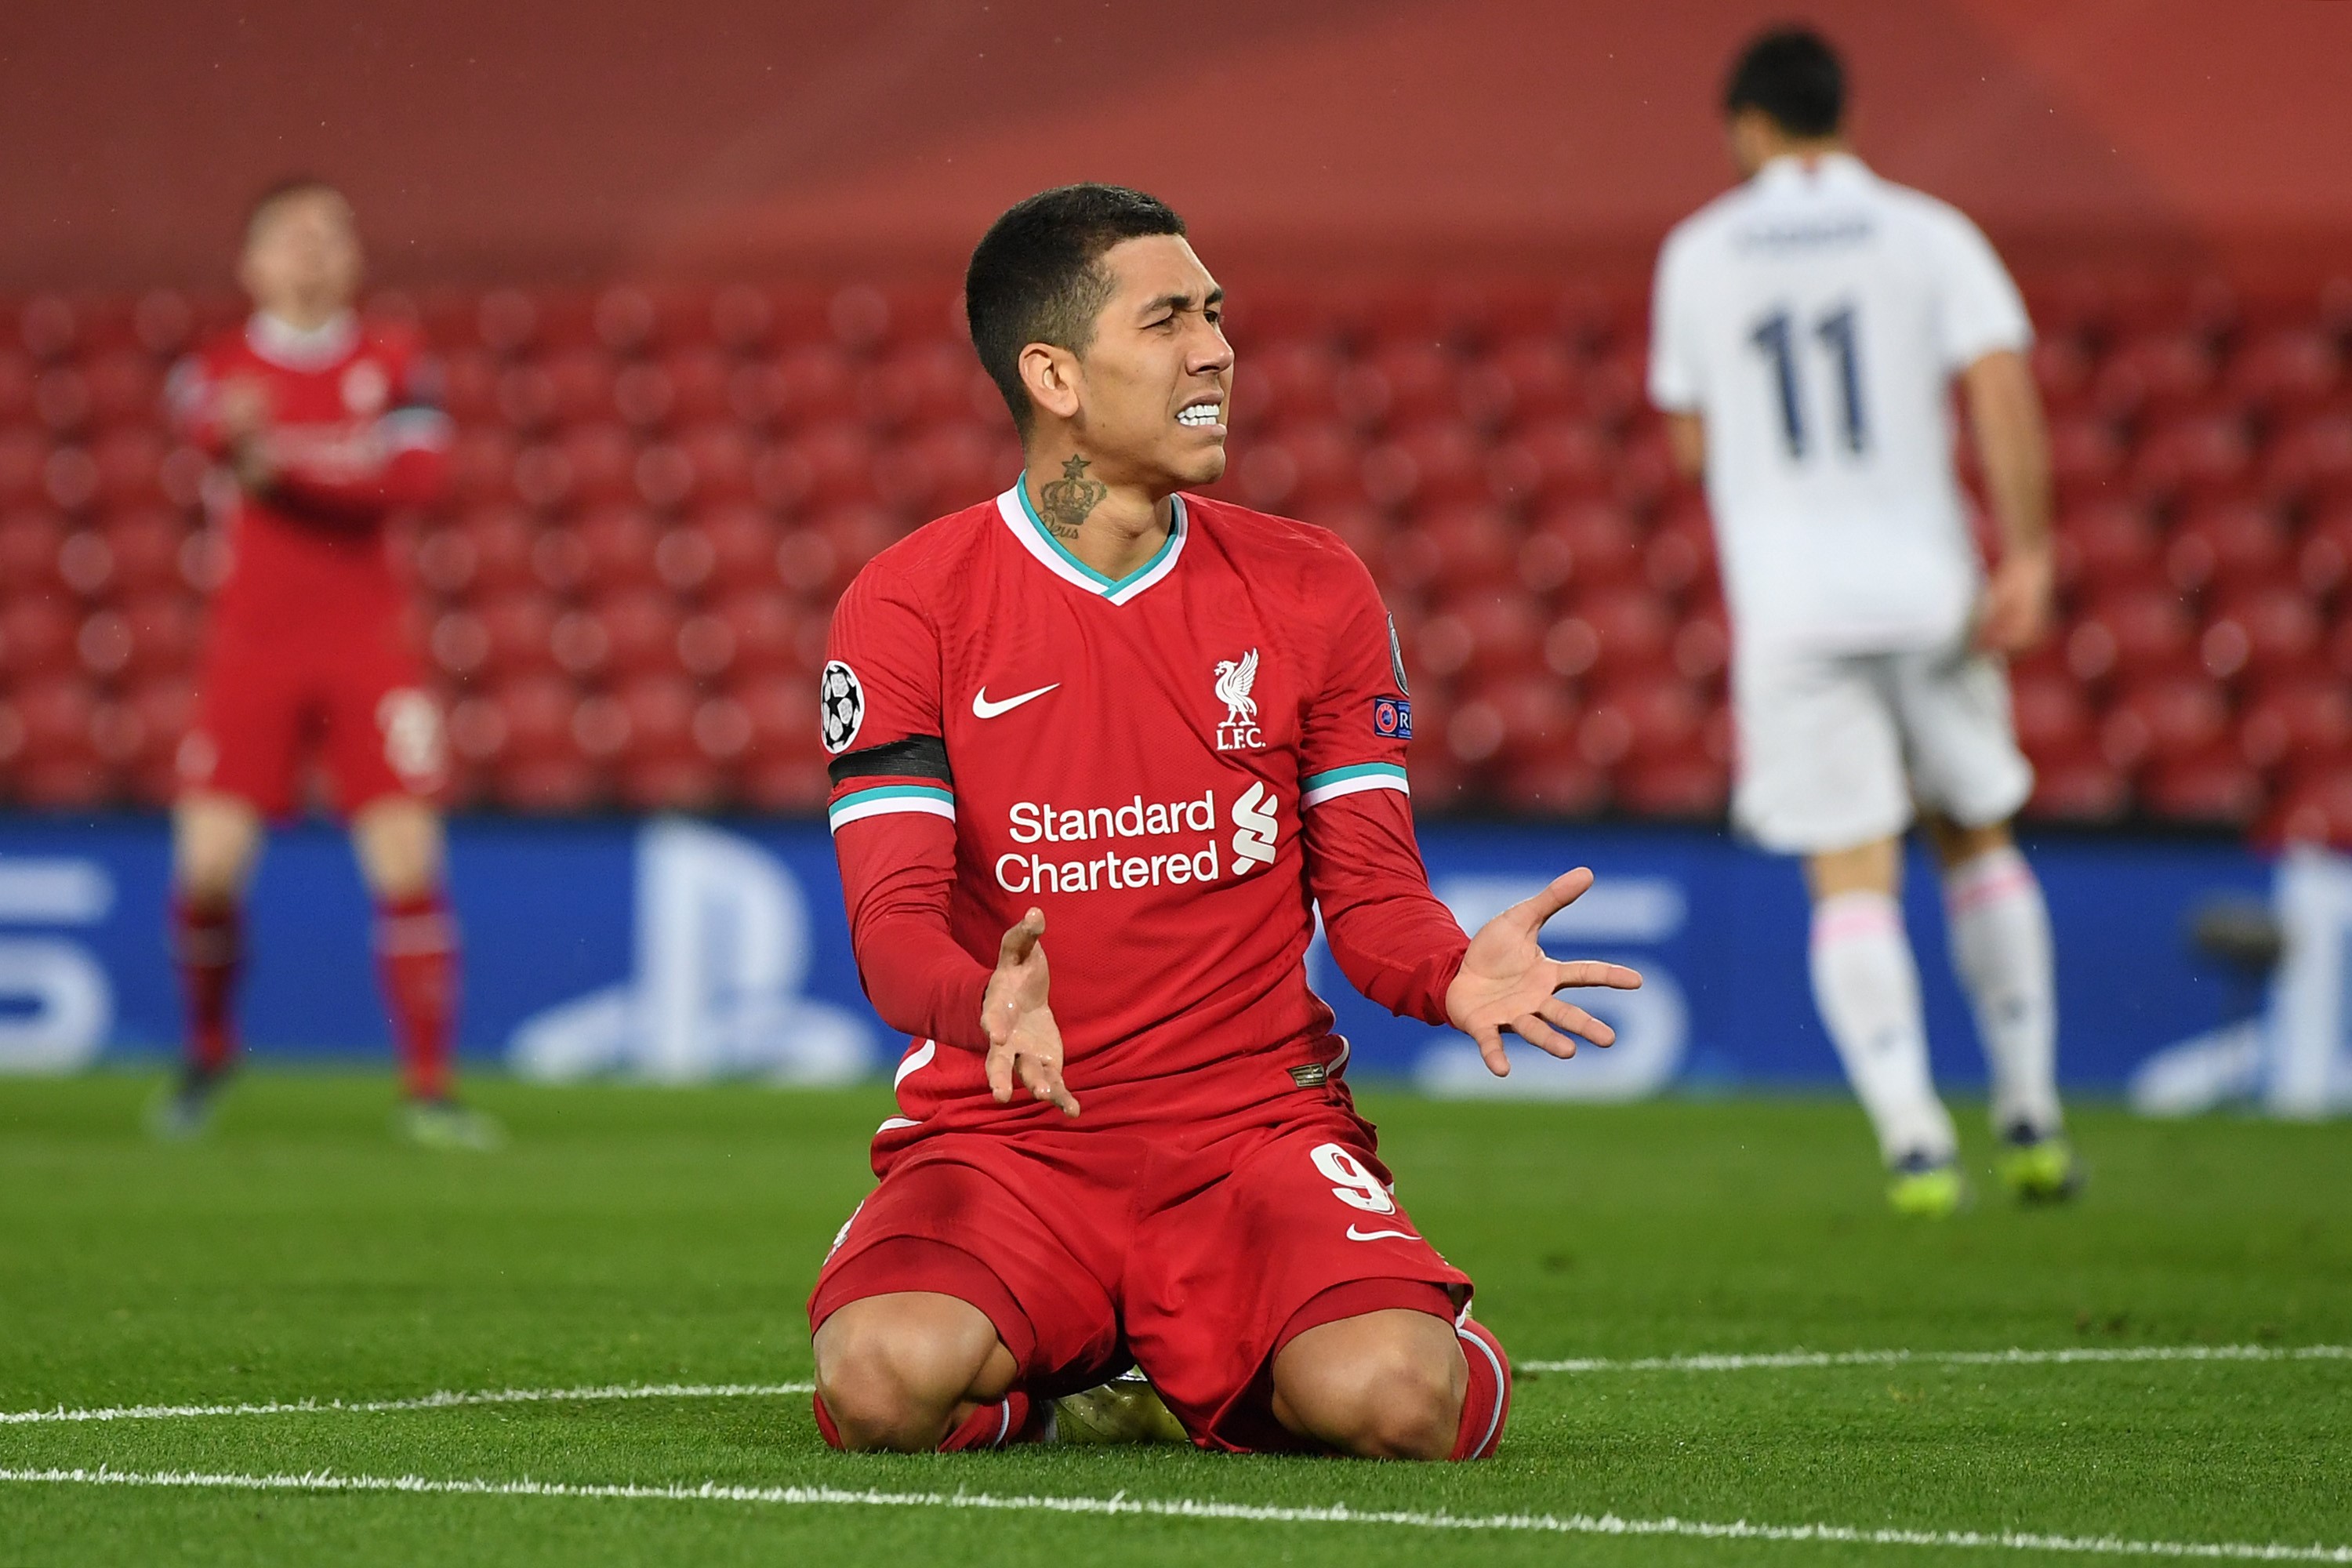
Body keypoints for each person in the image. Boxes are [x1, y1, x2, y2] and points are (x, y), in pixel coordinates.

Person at [809, 183, 1642, 1457]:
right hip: (1009, 1138)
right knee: (878, 1386)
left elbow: (1370, 904)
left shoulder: (1315, 587)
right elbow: (892, 924)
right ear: (1056, 374)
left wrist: (1446, 968)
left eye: (1216, 315)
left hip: (1252, 1133)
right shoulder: (912, 604)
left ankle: (1268, 1341)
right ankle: (1076, 1366)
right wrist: (982, 1003)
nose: (1216, 350)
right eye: (1168, 323)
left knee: (1399, 1401)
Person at [1648, 27, 2076, 1214]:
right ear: (1842, 114)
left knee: (1852, 876)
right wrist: (2030, 554)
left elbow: (1690, 442)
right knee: (1975, 831)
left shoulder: (1699, 254)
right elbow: (1998, 386)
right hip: (1927, 587)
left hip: (1791, 605)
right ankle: (2032, 1112)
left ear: (1748, 128)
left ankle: (1913, 1137)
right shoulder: (1928, 233)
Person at [151, 178, 496, 1149]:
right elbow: (208, 433)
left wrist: (284, 467)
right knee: (208, 868)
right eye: (290, 235)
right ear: (250, 261)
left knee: (407, 860)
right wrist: (259, 449)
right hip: (250, 647)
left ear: (354, 257)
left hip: (367, 644)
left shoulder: (396, 358)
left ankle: (429, 1088)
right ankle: (210, 1052)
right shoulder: (212, 368)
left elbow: (414, 478)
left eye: (329, 233)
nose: (310, 249)